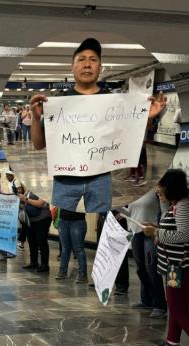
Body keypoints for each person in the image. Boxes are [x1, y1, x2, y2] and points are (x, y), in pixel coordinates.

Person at [30, 37, 167, 215]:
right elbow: (38, 144)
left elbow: (129, 141)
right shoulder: (58, 102)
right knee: (63, 225)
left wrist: (146, 118)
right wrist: (35, 117)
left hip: (100, 178)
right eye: (81, 59)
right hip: (65, 179)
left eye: (93, 60)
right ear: (72, 67)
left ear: (100, 68)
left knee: (102, 223)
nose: (87, 64)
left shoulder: (115, 102)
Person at [144, 169, 189, 346]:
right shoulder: (176, 205)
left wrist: (157, 232)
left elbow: (183, 235)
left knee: (179, 308)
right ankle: (171, 345)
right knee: (174, 305)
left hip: (180, 267)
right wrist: (156, 227)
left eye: (161, 185)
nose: (158, 189)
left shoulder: (184, 205)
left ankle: (172, 345)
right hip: (172, 266)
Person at [117, 190, 167, 318]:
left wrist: (158, 230)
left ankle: (160, 305)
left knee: (152, 269)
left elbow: (164, 211)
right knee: (141, 269)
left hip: (149, 233)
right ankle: (146, 300)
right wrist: (115, 205)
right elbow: (131, 213)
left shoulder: (156, 191)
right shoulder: (135, 191)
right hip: (135, 232)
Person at [18, 186, 52, 273]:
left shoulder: (45, 188)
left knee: (41, 241)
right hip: (31, 219)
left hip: (42, 218)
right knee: (31, 241)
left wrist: (25, 199)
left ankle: (44, 265)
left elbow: (40, 203)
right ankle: (33, 262)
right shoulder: (29, 189)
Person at [56, 209, 89, 284]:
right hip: (63, 219)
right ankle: (62, 272)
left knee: (78, 248)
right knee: (65, 248)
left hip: (78, 220)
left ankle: (82, 274)